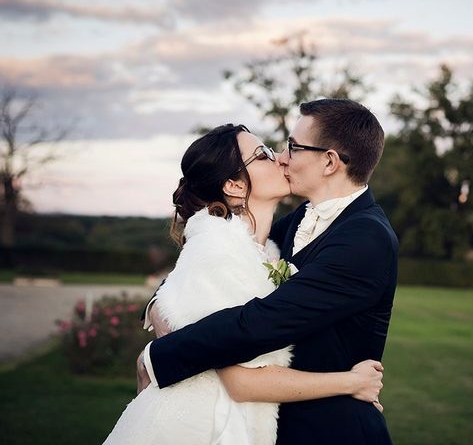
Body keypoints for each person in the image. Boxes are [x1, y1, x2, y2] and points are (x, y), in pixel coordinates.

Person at [103, 124, 385, 445]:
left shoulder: (272, 243)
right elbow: (240, 382)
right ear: (235, 185)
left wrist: (160, 305)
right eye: (262, 155)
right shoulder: (217, 248)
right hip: (199, 426)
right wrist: (351, 382)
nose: (280, 158)